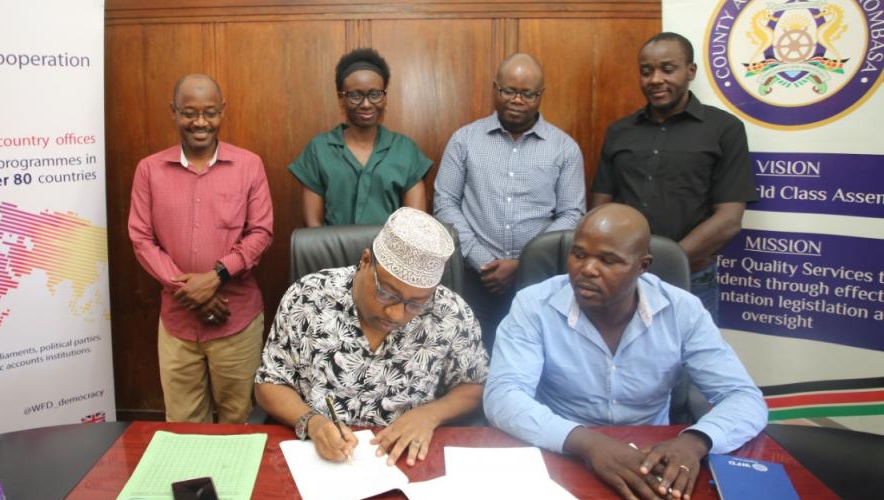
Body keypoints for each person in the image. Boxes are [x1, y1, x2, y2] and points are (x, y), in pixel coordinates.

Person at [484, 204, 767, 500]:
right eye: (578, 254)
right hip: (560, 455)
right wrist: (587, 442)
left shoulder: (682, 310)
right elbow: (503, 396)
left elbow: (744, 397)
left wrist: (695, 441)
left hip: (653, 457)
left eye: (608, 260)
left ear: (642, 266)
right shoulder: (534, 305)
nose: (588, 269)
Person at [255, 208, 489, 466]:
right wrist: (313, 423)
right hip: (320, 456)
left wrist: (430, 415)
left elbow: (475, 385)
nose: (397, 314)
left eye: (416, 304)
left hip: (407, 459)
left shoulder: (450, 311)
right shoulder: (308, 297)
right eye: (387, 294)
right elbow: (269, 384)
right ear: (366, 261)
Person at [128, 74, 273, 423]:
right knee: (183, 422)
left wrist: (216, 276)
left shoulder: (249, 165)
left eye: (209, 112)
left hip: (236, 318)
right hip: (178, 321)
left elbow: (261, 232)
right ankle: (196, 480)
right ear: (174, 112)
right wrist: (190, 289)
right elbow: (141, 238)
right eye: (189, 113)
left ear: (222, 111)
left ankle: (235, 480)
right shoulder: (149, 170)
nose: (200, 122)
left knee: (238, 418)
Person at [592, 32, 757, 323]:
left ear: (690, 71)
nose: (655, 79)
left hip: (692, 280)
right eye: (646, 71)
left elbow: (729, 219)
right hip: (623, 280)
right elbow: (601, 208)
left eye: (667, 69)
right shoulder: (620, 131)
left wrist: (668, 262)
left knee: (691, 367)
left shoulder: (724, 129)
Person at [434, 52, 585, 350]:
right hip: (473, 280)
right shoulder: (464, 140)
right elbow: (445, 203)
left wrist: (521, 263)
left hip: (539, 281)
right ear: (495, 89)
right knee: (473, 365)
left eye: (527, 93)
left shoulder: (565, 148)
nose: (517, 100)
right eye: (508, 91)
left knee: (535, 360)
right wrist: (484, 262)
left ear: (540, 95)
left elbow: (572, 214)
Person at [291, 48, 432, 226]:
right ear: (341, 99)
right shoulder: (319, 149)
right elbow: (314, 227)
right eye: (355, 95)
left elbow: (415, 225)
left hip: (391, 253)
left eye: (375, 94)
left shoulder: (406, 150)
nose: (366, 104)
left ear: (385, 97)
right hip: (334, 253)